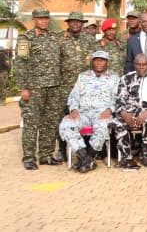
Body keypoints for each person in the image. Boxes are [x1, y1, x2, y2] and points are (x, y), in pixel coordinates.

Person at [15, 9, 62, 169]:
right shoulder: (26, 38)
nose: (44, 21)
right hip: (34, 88)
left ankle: (46, 155)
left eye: (46, 18)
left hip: (53, 87)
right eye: (40, 19)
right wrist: (23, 88)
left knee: (50, 123)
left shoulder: (54, 37)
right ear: (34, 19)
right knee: (31, 123)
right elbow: (20, 63)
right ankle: (29, 158)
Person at [59, 51, 118, 172]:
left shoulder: (114, 77)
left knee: (103, 126)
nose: (99, 63)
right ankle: (85, 158)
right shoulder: (83, 76)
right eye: (96, 60)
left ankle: (87, 157)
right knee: (65, 125)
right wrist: (74, 109)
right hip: (83, 114)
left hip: (102, 114)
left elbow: (118, 98)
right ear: (92, 62)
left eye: (102, 60)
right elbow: (73, 96)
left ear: (107, 62)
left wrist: (110, 109)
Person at [114, 54, 147, 170]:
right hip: (129, 110)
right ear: (134, 65)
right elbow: (120, 99)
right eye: (138, 64)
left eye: (144, 64)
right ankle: (126, 157)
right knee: (118, 123)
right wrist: (124, 113)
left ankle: (145, 154)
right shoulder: (126, 78)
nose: (141, 67)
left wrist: (146, 113)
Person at [58, 11, 98, 160]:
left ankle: (86, 150)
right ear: (68, 23)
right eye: (72, 21)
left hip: (85, 87)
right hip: (64, 86)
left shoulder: (89, 40)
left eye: (78, 22)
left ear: (82, 24)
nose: (75, 24)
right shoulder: (59, 39)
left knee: (85, 116)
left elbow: (96, 62)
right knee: (64, 118)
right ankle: (62, 151)